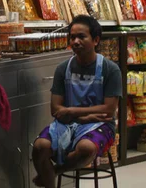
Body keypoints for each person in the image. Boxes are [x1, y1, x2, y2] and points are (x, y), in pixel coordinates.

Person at [32, 15, 122, 188]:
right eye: (72, 37)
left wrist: (73, 112)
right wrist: (84, 116)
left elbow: (109, 110)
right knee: (40, 147)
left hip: (102, 125)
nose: (75, 41)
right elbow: (56, 109)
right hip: (67, 123)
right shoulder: (62, 69)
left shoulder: (110, 69)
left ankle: (55, 170)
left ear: (95, 40)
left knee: (86, 148)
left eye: (82, 37)